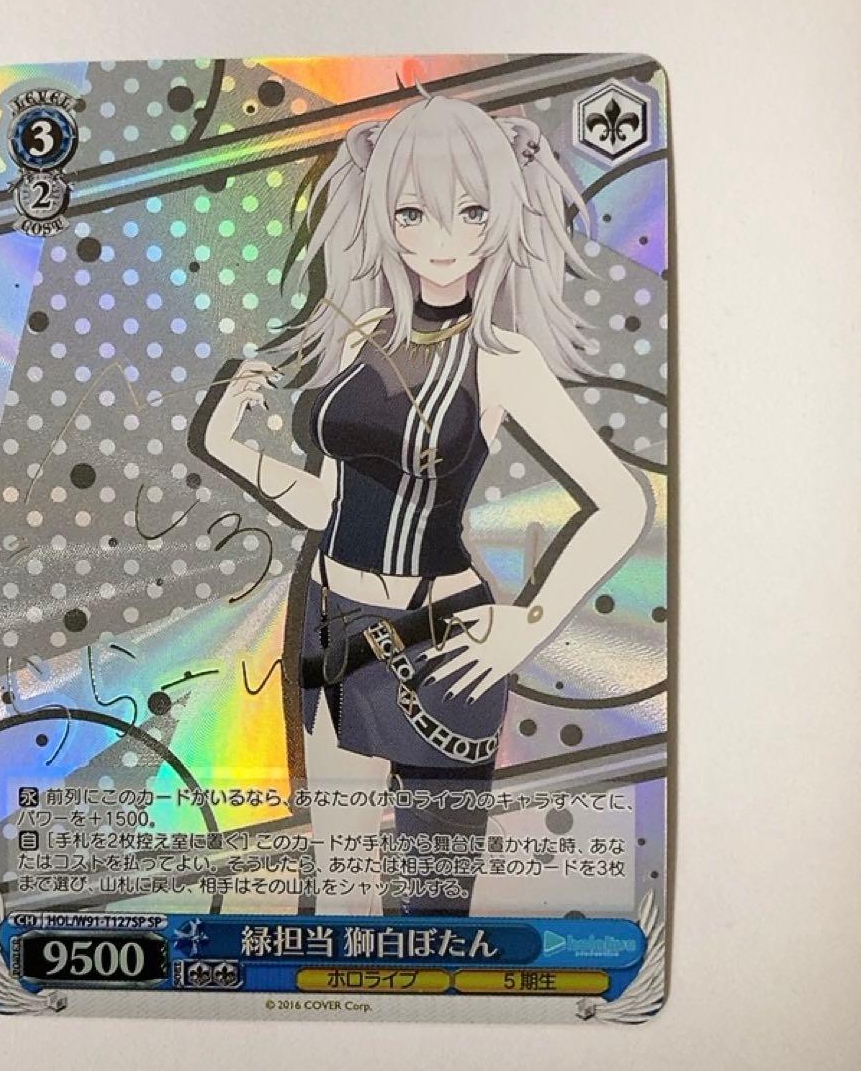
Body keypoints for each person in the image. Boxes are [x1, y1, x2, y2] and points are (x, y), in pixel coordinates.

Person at [199, 93, 649, 916]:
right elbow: (329, 504)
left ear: (501, 214)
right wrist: (226, 445)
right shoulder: (360, 330)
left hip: (442, 643)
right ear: (384, 215)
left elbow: (621, 501)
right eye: (413, 213)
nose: (443, 241)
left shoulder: (502, 359)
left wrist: (528, 623)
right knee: (337, 889)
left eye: (470, 213)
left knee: (430, 901)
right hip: (330, 626)